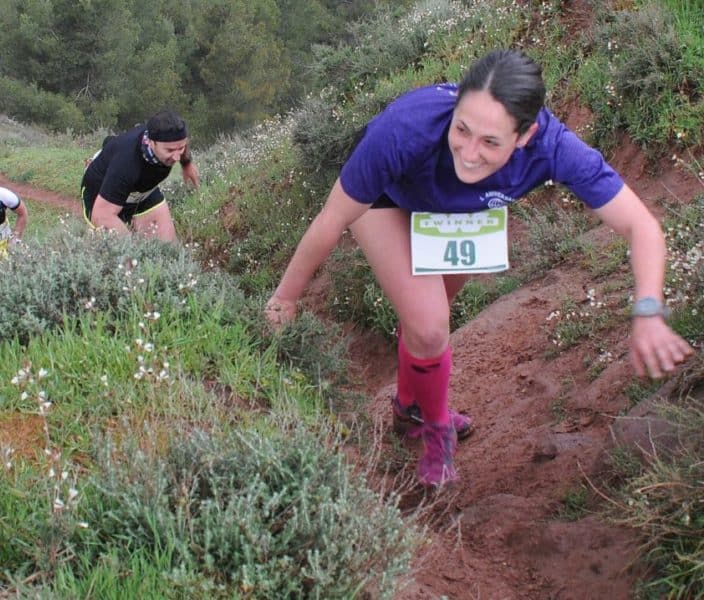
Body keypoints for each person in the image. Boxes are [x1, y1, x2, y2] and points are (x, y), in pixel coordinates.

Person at [264, 49, 694, 487]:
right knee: (430, 325)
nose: (468, 153)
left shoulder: (554, 147)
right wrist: (285, 299)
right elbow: (331, 219)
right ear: (455, 108)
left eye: (490, 142)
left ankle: (409, 404)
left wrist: (648, 309)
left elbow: (641, 226)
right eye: (462, 129)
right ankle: (436, 430)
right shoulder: (406, 128)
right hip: (389, 200)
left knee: (430, 317)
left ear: (525, 135)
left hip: (463, 212)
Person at [81, 110, 200, 242]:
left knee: (169, 246)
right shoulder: (126, 164)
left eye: (181, 148)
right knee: (120, 255)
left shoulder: (167, 139)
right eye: (170, 150)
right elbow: (102, 215)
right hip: (103, 193)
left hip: (142, 191)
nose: (177, 157)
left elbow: (180, 142)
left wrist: (187, 163)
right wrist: (133, 248)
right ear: (150, 142)